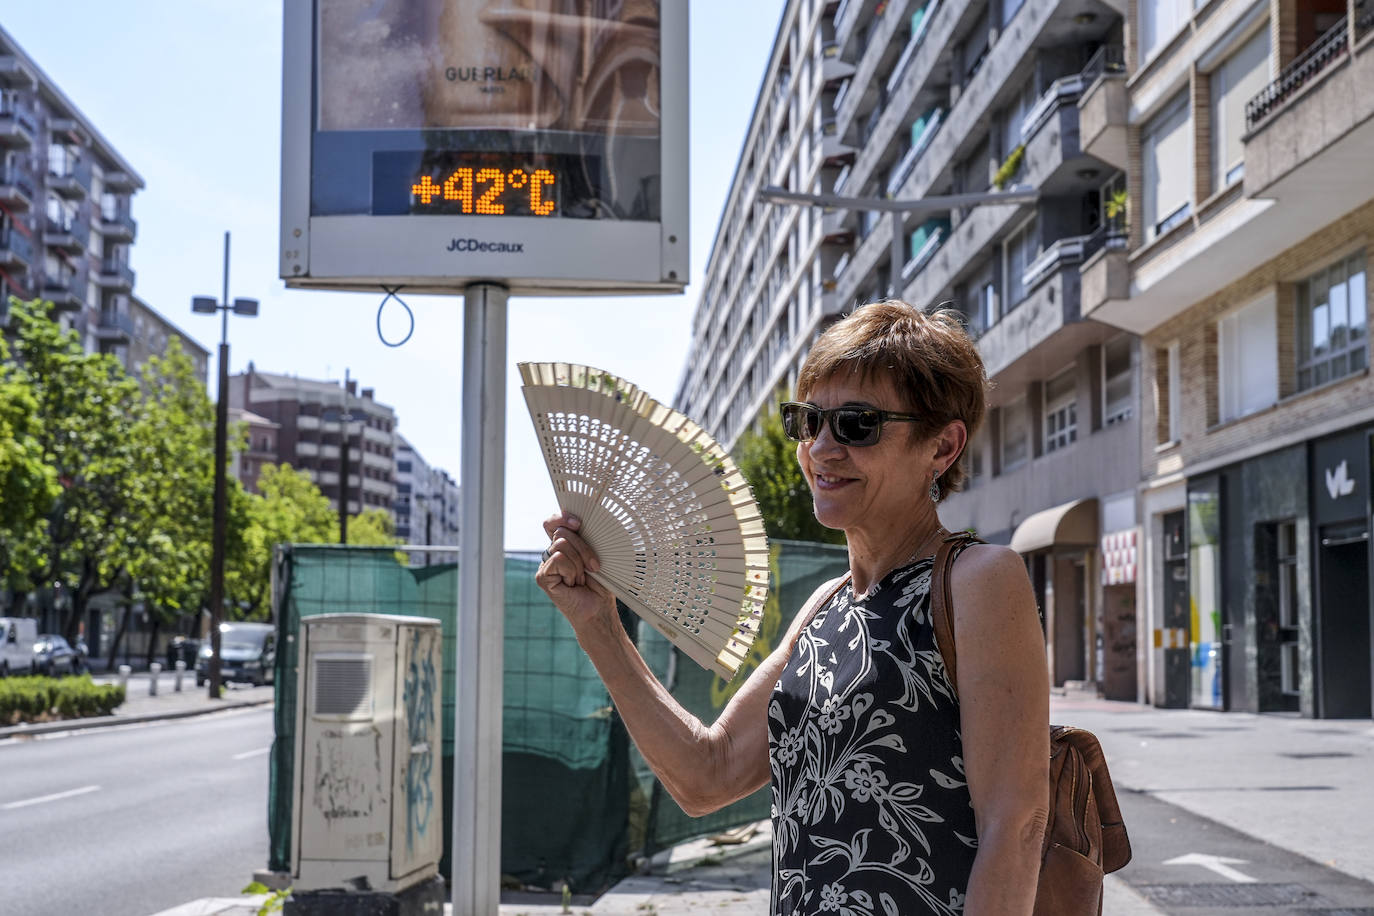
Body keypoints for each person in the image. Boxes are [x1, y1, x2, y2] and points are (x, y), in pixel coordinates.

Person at [537, 300, 1050, 915]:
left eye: (857, 424)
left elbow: (1015, 827)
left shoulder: (980, 580)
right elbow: (709, 773)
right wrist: (596, 622)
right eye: (810, 422)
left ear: (942, 447)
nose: (822, 448)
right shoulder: (825, 605)